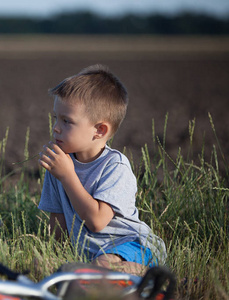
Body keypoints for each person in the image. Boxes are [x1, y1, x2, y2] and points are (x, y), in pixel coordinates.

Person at [38, 64, 166, 275]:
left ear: (99, 130)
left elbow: (97, 222)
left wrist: (68, 176)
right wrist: (53, 257)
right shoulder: (59, 165)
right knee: (42, 265)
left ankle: (156, 279)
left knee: (104, 266)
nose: (56, 127)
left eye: (67, 121)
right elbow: (58, 223)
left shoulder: (115, 167)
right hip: (95, 254)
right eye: (56, 118)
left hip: (132, 245)